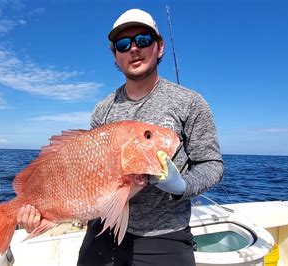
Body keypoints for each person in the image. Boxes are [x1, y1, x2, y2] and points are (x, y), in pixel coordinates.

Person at [17, 8, 224, 266]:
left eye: (143, 40)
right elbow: (83, 176)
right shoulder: (103, 109)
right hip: (104, 229)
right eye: (123, 44)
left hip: (164, 234)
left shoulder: (190, 102)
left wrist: (181, 186)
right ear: (115, 56)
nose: (134, 49)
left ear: (159, 47)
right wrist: (41, 214)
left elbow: (212, 165)